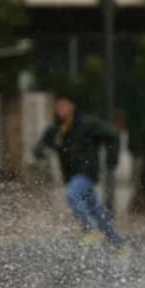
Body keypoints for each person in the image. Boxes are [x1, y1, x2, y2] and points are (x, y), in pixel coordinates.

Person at [34, 92, 125, 250]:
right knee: (96, 210)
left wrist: (111, 161)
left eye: (64, 104)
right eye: (58, 106)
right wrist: (41, 151)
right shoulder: (56, 129)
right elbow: (41, 146)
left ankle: (90, 230)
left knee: (72, 195)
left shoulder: (88, 124)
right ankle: (119, 244)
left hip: (87, 173)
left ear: (72, 106)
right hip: (71, 175)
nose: (61, 109)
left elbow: (113, 134)